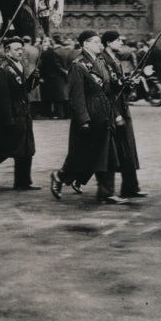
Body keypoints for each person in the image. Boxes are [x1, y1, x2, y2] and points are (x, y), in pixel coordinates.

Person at [49, 30, 127, 204]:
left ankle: (106, 193)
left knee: (106, 153)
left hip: (104, 112)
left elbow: (109, 90)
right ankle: (60, 176)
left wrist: (117, 108)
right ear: (85, 44)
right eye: (96, 42)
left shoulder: (101, 62)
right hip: (89, 114)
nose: (100, 45)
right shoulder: (78, 65)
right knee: (80, 155)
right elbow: (76, 95)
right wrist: (83, 119)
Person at [0, 35, 39, 190]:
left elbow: (22, 90)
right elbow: (2, 98)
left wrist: (33, 79)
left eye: (21, 49)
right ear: (7, 51)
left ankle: (23, 182)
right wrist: (8, 120)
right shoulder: (4, 70)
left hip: (23, 113)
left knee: (25, 149)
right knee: (1, 151)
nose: (20, 52)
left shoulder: (18, 66)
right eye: (16, 49)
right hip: (13, 115)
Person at [97, 31, 147, 199]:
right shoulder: (102, 60)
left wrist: (130, 84)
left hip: (122, 108)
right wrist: (115, 113)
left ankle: (131, 187)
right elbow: (105, 91)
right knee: (109, 151)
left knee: (127, 149)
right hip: (112, 110)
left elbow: (119, 87)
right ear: (108, 43)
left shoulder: (115, 60)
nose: (121, 42)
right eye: (118, 40)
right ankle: (105, 192)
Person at [38, 37, 70, 119]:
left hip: (53, 76)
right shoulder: (63, 51)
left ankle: (56, 114)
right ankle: (62, 113)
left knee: (55, 96)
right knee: (60, 95)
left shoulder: (50, 52)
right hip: (58, 76)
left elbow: (55, 65)